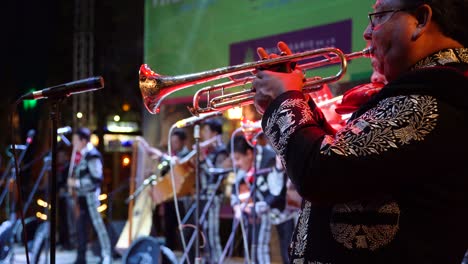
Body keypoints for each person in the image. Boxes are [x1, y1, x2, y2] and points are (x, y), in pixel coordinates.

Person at [251, 0, 468, 263]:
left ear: (421, 20)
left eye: (379, 17)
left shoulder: (436, 95)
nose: (367, 32)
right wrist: (298, 102)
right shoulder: (428, 90)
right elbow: (349, 163)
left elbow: (320, 173)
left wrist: (284, 99)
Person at [229, 134, 294, 264]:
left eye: (237, 159)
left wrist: (252, 208)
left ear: (249, 153)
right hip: (261, 217)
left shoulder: (269, 159)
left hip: (284, 214)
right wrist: (237, 207)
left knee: (288, 254)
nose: (236, 164)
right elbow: (235, 189)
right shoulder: (244, 168)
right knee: (255, 250)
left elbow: (277, 193)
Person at [69, 128, 112, 264]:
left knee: (98, 227)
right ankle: (81, 258)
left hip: (91, 198)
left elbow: (96, 179)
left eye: (75, 140)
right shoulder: (81, 155)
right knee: (81, 227)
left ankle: (107, 255)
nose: (73, 144)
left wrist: (77, 183)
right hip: (81, 199)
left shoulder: (92, 155)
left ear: (83, 140)